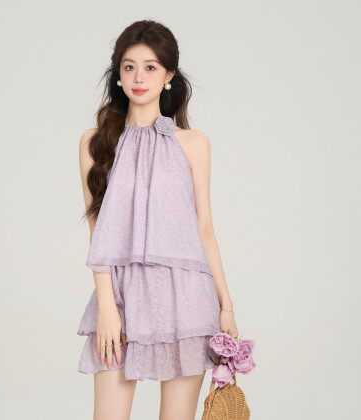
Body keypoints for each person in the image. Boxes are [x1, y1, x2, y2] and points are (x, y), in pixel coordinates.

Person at [76, 20, 239, 420]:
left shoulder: (193, 143)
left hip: (186, 299)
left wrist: (226, 306)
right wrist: (107, 306)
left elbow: (205, 229)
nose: (139, 77)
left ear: (168, 76)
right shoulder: (95, 143)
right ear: (118, 74)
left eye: (150, 67)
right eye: (129, 67)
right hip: (121, 294)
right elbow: (98, 232)